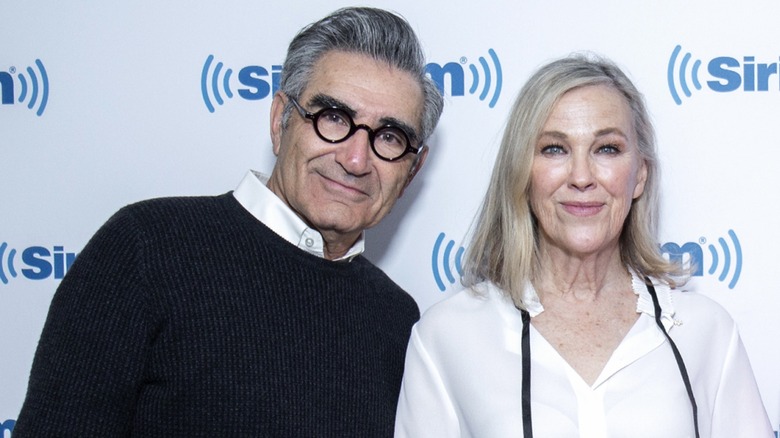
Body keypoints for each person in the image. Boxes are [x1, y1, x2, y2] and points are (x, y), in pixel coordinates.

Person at [14, 7, 443, 437]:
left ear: (412, 170)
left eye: (390, 137)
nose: (355, 159)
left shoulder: (396, 319)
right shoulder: (146, 249)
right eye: (333, 117)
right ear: (280, 121)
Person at [395, 54, 772, 437]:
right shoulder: (447, 336)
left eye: (606, 148)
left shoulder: (706, 331)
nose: (581, 177)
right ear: (522, 172)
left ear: (640, 175)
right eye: (554, 149)